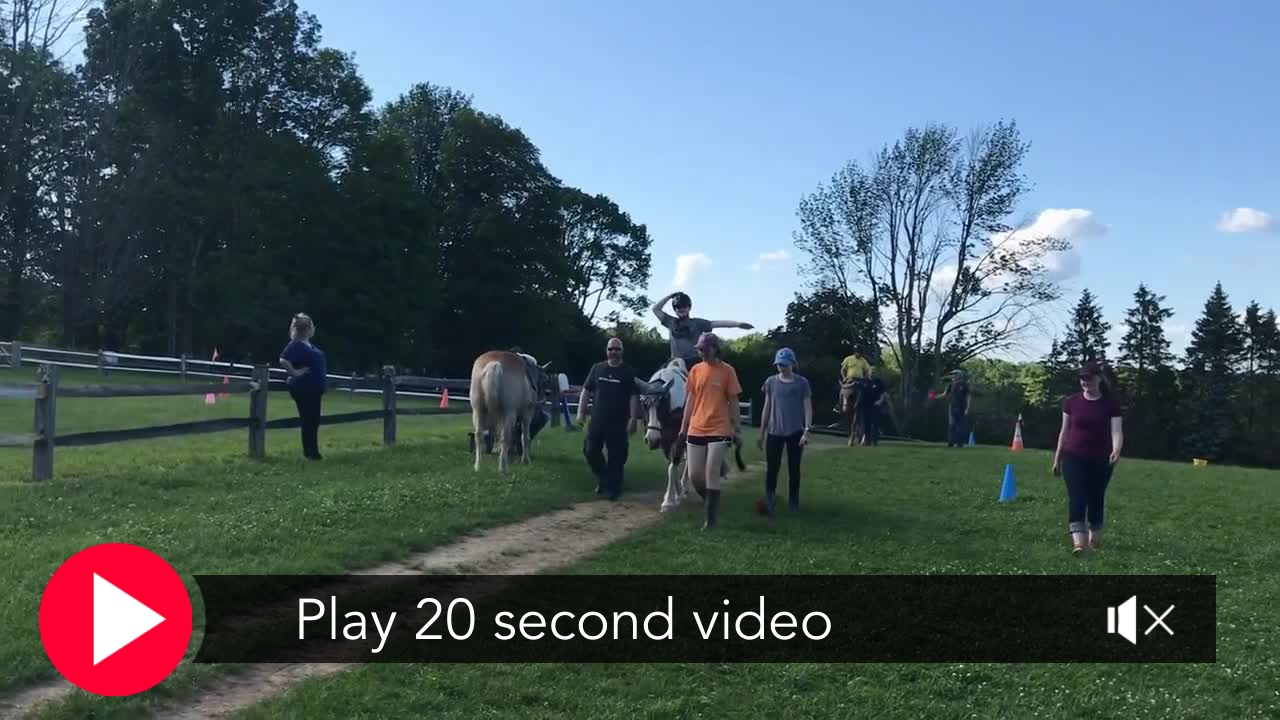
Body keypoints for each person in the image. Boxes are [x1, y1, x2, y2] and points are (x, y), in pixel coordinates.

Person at [1052, 361, 1124, 554]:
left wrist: (1116, 450)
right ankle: (1078, 543)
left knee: (1096, 498)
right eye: (1082, 378)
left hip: (1101, 459)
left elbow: (1116, 431)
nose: (1085, 382)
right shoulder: (1071, 402)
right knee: (1077, 498)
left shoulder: (1110, 404)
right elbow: (1064, 432)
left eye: (1089, 378)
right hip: (1073, 457)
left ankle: (1094, 539)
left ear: (1099, 379)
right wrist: (1057, 458)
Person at [678, 332, 743, 530]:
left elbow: (734, 401)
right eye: (699, 349)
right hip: (697, 427)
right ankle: (711, 501)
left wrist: (737, 428)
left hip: (719, 427)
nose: (701, 352)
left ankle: (710, 520)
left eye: (704, 349)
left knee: (711, 472)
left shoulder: (727, 371)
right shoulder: (696, 370)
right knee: (694, 476)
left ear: (715, 349)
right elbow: (690, 400)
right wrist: (683, 427)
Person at [576, 337, 642, 501]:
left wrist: (633, 419)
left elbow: (634, 396)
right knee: (590, 450)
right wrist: (581, 412)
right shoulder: (597, 368)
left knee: (617, 457)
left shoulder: (628, 371)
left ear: (622, 351)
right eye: (610, 349)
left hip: (618, 423)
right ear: (606, 351)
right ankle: (604, 478)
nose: (613, 352)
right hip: (597, 420)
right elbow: (586, 390)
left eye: (617, 349)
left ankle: (614, 489)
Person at [756, 347, 812, 516]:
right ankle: (770, 500)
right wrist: (761, 433)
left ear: (792, 364)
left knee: (794, 469)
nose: (782, 367)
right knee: (772, 469)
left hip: (795, 432)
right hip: (774, 431)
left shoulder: (802, 383)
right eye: (779, 364)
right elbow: (767, 407)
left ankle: (793, 502)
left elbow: (807, 408)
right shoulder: (771, 382)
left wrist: (807, 431)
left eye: (785, 364)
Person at [651, 292, 753, 369]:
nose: (681, 309)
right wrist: (670, 296)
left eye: (684, 306)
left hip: (694, 362)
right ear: (674, 309)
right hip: (675, 362)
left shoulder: (697, 323)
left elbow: (717, 323)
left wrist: (738, 324)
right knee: (660, 377)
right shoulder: (670, 322)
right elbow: (655, 309)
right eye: (678, 306)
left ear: (689, 307)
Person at [278, 313, 327, 460]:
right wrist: (294, 372)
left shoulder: (307, 345)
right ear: (307, 329)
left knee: (314, 420)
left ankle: (312, 450)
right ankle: (310, 452)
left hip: (313, 389)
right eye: (312, 326)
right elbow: (283, 359)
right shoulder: (296, 344)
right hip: (304, 388)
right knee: (309, 420)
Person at [939, 369, 972, 447]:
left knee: (960, 425)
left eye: (954, 374)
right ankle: (951, 442)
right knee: (952, 424)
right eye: (952, 374)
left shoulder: (964, 385)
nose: (953, 376)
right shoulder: (950, 385)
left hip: (962, 407)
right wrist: (935, 397)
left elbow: (968, 397)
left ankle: (960, 443)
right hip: (952, 406)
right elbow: (944, 394)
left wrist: (967, 408)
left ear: (959, 375)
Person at [857, 365, 888, 447]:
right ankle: (867, 441)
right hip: (864, 406)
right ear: (868, 372)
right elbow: (857, 391)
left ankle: (875, 441)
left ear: (876, 373)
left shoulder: (879, 382)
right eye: (871, 372)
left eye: (874, 372)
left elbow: (884, 393)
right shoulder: (863, 381)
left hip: (875, 406)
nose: (872, 373)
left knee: (874, 424)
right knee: (865, 424)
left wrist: (880, 401)